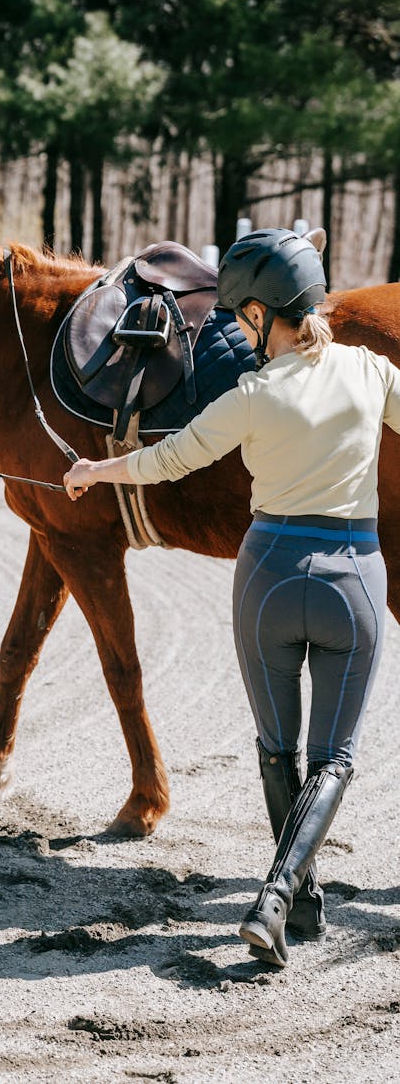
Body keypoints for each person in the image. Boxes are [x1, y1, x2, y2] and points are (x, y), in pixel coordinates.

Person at [64, 228, 400, 968]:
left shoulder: (250, 394)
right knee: (333, 759)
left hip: (268, 576)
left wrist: (95, 470)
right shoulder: (373, 372)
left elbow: (167, 459)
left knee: (276, 749)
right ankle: (281, 894)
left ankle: (294, 900)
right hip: (352, 579)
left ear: (256, 313)